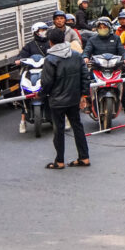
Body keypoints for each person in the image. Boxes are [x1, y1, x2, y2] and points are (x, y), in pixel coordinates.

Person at [40, 28, 92, 169]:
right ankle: (84, 157)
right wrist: (84, 95)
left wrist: (41, 95)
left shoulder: (50, 59)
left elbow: (46, 83)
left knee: (59, 130)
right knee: (78, 127)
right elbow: (85, 76)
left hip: (57, 101)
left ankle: (60, 161)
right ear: (64, 39)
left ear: (50, 42)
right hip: (74, 98)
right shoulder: (76, 55)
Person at [83, 17, 125, 126]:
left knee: (123, 91)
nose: (102, 29)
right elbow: (87, 51)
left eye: (105, 27)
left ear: (109, 28)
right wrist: (85, 57)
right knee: (87, 83)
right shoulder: (92, 40)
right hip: (98, 69)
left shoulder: (116, 38)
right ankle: (88, 104)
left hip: (114, 69)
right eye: (100, 27)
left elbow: (121, 50)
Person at [15, 22, 49, 134]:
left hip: (47, 71)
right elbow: (21, 55)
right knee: (23, 92)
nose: (43, 32)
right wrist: (19, 60)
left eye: (45, 30)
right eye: (41, 30)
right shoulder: (30, 45)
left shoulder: (50, 43)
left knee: (58, 90)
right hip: (31, 73)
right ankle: (22, 121)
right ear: (35, 32)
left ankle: (64, 117)